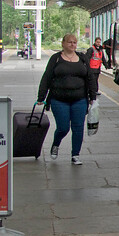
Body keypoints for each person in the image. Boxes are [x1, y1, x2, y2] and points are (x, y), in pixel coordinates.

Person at [36, 33, 97, 165]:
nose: (72, 45)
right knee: (63, 128)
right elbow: (47, 77)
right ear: (63, 44)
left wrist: (93, 96)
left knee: (78, 127)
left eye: (74, 42)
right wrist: (41, 96)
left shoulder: (82, 58)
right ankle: (56, 143)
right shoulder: (56, 58)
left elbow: (90, 77)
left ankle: (75, 154)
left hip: (79, 99)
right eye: (69, 42)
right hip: (59, 99)